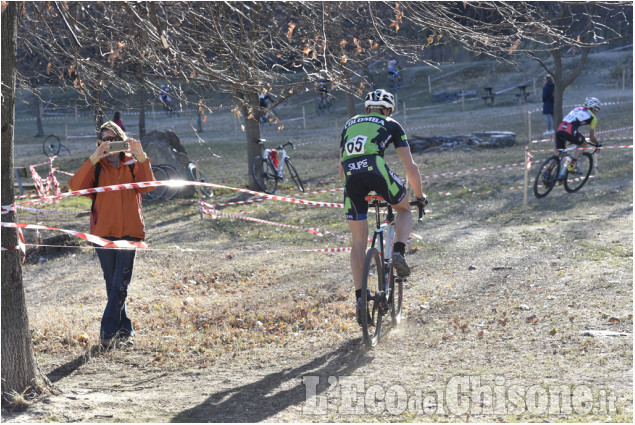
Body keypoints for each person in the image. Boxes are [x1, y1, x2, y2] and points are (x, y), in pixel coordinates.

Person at [338, 89, 427, 325]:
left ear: (367, 108)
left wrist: (353, 190)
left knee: (358, 242)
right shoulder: (391, 123)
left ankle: (360, 298)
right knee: (404, 209)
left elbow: (341, 166)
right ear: (387, 109)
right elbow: (411, 168)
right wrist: (420, 196)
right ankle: (398, 252)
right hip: (375, 168)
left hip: (350, 177)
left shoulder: (349, 124)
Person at [68, 121, 155, 349]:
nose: (109, 143)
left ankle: (107, 334)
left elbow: (148, 187)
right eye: (104, 139)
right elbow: (75, 187)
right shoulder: (96, 167)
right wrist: (93, 158)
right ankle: (125, 331)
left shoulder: (131, 164)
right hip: (103, 234)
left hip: (129, 233)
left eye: (113, 138)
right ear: (99, 142)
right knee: (112, 284)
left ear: (122, 140)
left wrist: (141, 157)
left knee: (120, 285)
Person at [555, 97, 602, 177]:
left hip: (560, 128)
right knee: (583, 143)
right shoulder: (593, 118)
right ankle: (571, 166)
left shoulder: (577, 108)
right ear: (593, 108)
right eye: (597, 109)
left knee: (559, 154)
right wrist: (597, 144)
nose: (597, 112)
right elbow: (592, 137)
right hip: (570, 130)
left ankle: (547, 173)